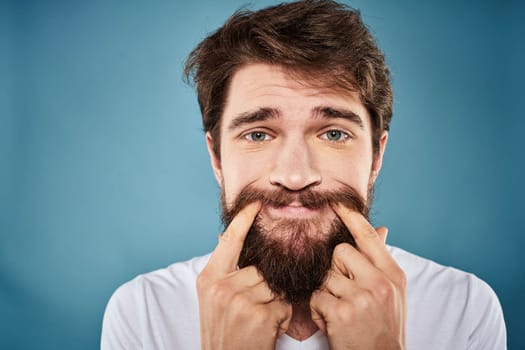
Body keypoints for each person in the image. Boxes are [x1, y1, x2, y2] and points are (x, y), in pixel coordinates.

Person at [101, 1, 506, 349]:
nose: (295, 176)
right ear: (217, 158)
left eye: (333, 134)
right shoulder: (143, 312)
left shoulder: (464, 307)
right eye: (258, 134)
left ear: (377, 155)